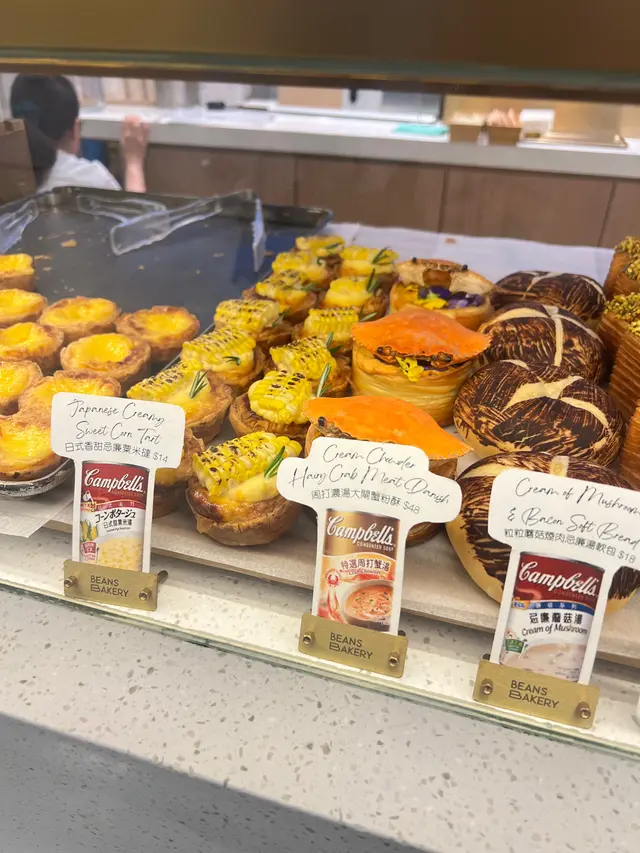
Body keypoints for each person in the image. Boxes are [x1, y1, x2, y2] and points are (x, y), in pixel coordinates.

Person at [10, 74, 148, 193]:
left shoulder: (7, 175)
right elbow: (139, 216)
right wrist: (133, 162)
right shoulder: (90, 180)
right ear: (75, 131)